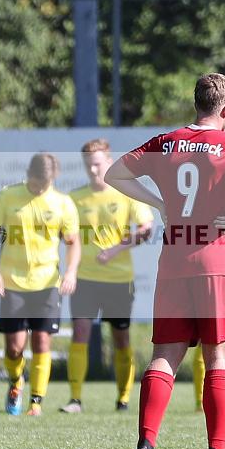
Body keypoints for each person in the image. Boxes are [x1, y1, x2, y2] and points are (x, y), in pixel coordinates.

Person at [105, 73, 225, 449]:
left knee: (164, 355)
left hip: (174, 261)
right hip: (218, 261)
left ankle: (146, 447)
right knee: (219, 355)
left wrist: (158, 203)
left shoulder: (166, 142)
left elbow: (113, 174)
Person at [60, 139, 154, 414]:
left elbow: (147, 228)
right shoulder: (74, 199)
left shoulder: (125, 194)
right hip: (85, 278)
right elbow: (65, 233)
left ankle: (123, 399)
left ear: (108, 161)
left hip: (118, 278)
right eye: (88, 164)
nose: (92, 168)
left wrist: (116, 249)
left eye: (97, 163)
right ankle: (75, 399)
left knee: (120, 339)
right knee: (80, 332)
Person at [0, 153, 81, 417]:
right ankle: (16, 381)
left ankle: (36, 402)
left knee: (42, 342)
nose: (39, 188)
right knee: (14, 348)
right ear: (29, 174)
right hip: (13, 283)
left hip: (47, 283)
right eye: (36, 182)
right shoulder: (8, 196)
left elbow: (73, 243)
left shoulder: (62, 203)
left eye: (45, 183)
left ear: (54, 178)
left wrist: (71, 272)